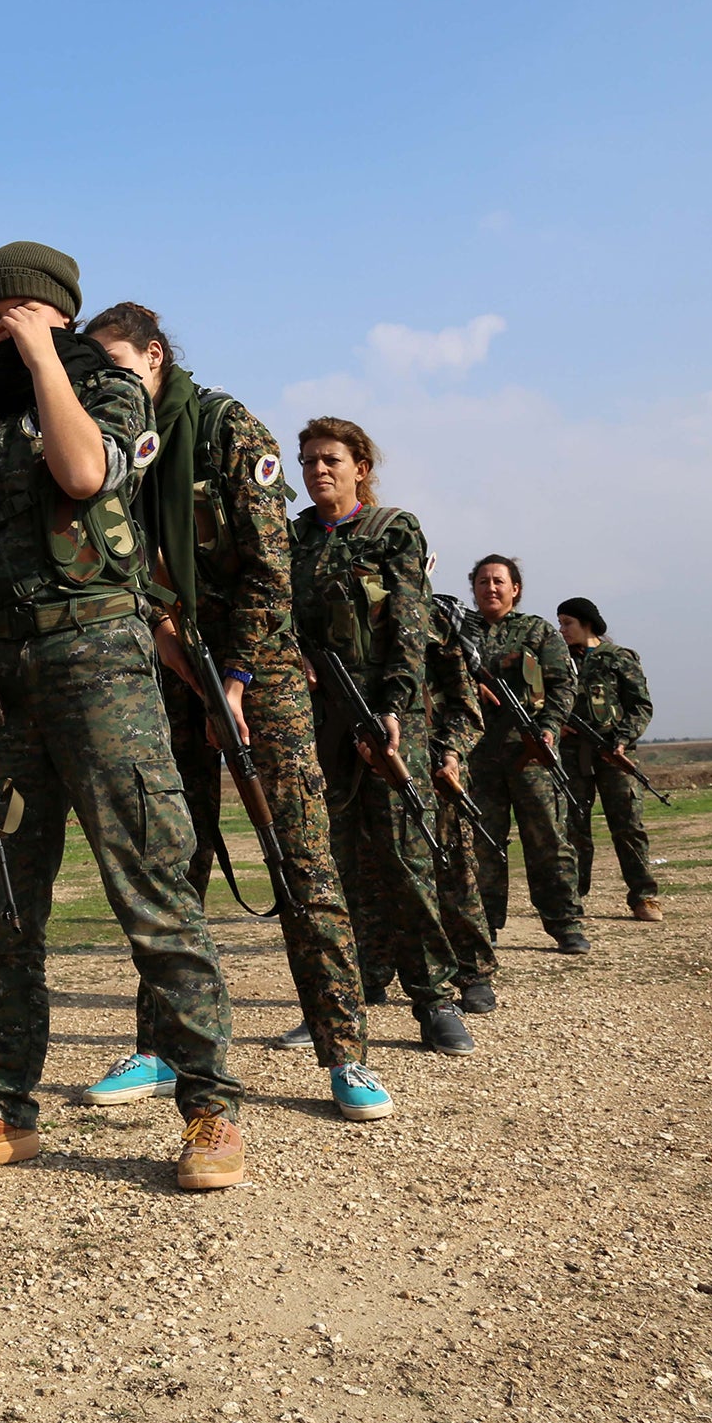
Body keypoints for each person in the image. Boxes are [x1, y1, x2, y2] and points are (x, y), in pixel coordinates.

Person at [0, 246, 247, 1189]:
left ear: (59, 310)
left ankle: (211, 1108)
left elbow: (82, 475)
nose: (2, 319)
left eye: (20, 306)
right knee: (5, 908)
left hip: (99, 666)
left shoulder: (107, 387)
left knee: (152, 890)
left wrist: (47, 362)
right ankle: (1, 1106)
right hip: (2, 677)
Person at [78, 303, 392, 1122]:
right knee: (166, 870)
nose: (105, 384)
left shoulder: (226, 428)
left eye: (116, 366)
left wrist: (240, 681)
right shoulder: (115, 444)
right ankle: (160, 1047)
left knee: (301, 864)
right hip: (168, 670)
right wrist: (163, 635)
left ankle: (343, 1053)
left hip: (263, 676)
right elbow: (112, 562)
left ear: (155, 356)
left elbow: (269, 569)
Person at [290, 419, 474, 1056]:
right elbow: (276, 614)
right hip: (321, 717)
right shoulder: (296, 538)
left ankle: (435, 999)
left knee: (405, 855)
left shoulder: (393, 528)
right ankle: (340, 1002)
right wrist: (296, 658)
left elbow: (409, 623)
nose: (318, 470)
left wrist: (394, 706)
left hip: (387, 715)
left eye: (332, 459)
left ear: (360, 467)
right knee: (329, 865)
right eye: (309, 460)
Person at [464, 556, 588, 954]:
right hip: (477, 755)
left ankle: (565, 922)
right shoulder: (460, 633)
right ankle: (486, 924)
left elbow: (564, 685)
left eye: (499, 581)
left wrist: (549, 728)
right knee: (483, 842)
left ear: (515, 588)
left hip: (531, 751)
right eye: (483, 582)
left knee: (548, 839)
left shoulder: (537, 631)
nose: (491, 588)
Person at [556, 597, 661, 922]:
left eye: (567, 623)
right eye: (560, 623)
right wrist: (555, 724)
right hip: (573, 756)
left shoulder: (619, 659)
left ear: (587, 623)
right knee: (574, 828)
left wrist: (623, 738)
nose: (562, 630)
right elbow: (540, 699)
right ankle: (572, 901)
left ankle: (644, 897)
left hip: (615, 754)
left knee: (628, 826)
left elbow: (641, 705)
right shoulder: (557, 660)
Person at [427, 593, 499, 1013]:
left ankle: (473, 971)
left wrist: (452, 755)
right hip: (365, 760)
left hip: (437, 762)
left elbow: (465, 706)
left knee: (455, 868)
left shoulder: (434, 621)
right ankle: (374, 970)